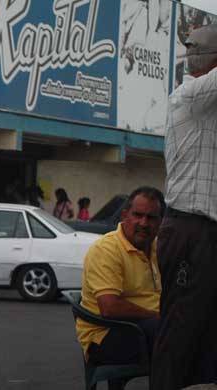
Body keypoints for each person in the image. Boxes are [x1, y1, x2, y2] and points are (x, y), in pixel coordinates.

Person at [151, 24, 217, 390]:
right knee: (180, 331)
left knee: (204, 334)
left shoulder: (206, 108)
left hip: (201, 229)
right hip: (191, 229)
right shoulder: (191, 94)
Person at [76, 186, 163, 369]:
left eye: (151, 217)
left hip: (144, 326)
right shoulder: (106, 249)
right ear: (125, 216)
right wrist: (158, 315)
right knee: (176, 338)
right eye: (138, 215)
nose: (144, 223)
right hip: (105, 335)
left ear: (161, 221)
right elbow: (110, 307)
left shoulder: (157, 247)